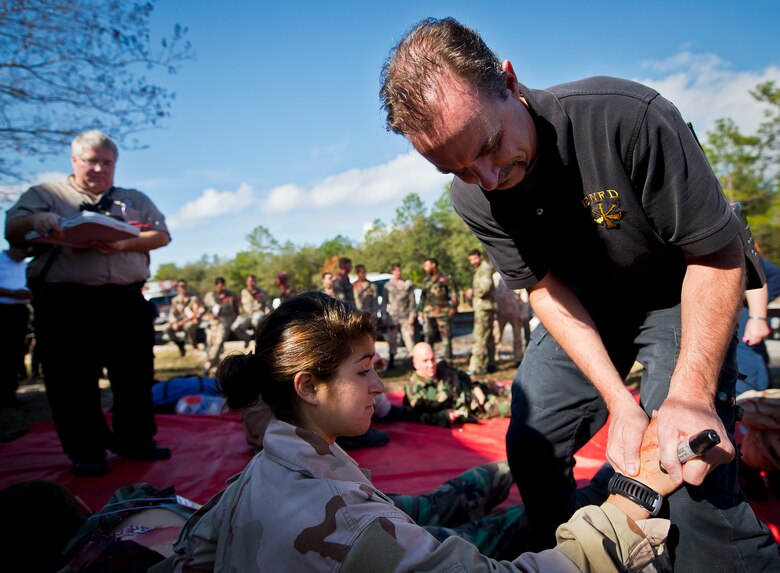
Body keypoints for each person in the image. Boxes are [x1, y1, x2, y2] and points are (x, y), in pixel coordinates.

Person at [379, 18, 779, 569]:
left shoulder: (627, 118)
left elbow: (714, 255)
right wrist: (619, 401)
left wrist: (688, 395)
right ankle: (567, 552)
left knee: (685, 460)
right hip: (588, 310)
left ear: (510, 83)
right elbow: (542, 291)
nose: (489, 179)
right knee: (530, 440)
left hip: (679, 292)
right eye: (460, 169)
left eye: (491, 147)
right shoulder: (474, 197)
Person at [169, 291, 684, 572]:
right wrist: (630, 501)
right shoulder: (344, 521)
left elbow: (193, 555)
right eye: (363, 370)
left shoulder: (261, 474)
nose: (378, 385)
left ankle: (518, 476)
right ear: (307, 387)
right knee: (511, 526)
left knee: (459, 504)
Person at [5, 130, 171, 477]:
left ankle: (135, 440)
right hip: (67, 302)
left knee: (135, 375)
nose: (99, 168)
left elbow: (161, 234)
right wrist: (38, 220)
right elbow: (14, 229)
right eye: (92, 161)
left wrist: (123, 244)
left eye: (107, 162)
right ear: (75, 161)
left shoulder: (133, 198)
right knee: (71, 379)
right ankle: (86, 451)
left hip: (125, 298)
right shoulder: (47, 194)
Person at [405, 342, 509, 427]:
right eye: (425, 361)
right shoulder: (414, 389)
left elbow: (462, 374)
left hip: (482, 389)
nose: (431, 365)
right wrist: (443, 416)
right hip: (478, 407)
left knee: (517, 390)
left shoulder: (442, 367)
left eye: (433, 359)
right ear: (415, 364)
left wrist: (475, 386)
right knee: (519, 406)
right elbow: (415, 416)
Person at [0, 244, 32, 407]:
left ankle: (9, 392)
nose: (27, 252)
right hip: (3, 312)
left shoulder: (27, 264)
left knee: (15, 352)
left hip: (20, 312)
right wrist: (12, 293)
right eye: (24, 248)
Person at [418, 257, 458, 361]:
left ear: (434, 265)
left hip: (442, 313)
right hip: (428, 314)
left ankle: (448, 362)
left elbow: (453, 295)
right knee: (428, 338)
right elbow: (423, 297)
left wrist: (453, 308)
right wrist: (420, 310)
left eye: (427, 265)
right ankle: (428, 361)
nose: (425, 268)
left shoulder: (445, 278)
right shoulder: (426, 280)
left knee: (446, 339)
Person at [466, 249, 497, 375]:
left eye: (474, 259)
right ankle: (491, 364)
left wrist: (472, 292)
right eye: (471, 260)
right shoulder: (480, 269)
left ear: (480, 257)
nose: (473, 262)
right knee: (488, 337)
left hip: (484, 308)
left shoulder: (484, 268)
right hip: (484, 307)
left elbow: (485, 288)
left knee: (479, 336)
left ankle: (476, 367)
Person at [381, 262, 417, 369]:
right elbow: (384, 302)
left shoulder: (407, 284)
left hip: (405, 316)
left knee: (409, 338)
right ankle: (391, 362)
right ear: (392, 272)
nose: (398, 272)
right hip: (393, 317)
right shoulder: (388, 286)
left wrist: (412, 314)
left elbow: (412, 301)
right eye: (395, 270)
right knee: (392, 339)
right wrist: (384, 315)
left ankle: (413, 361)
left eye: (399, 270)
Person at [202, 277, 240, 374]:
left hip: (225, 322)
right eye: (219, 286)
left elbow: (236, 309)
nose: (221, 288)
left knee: (218, 342)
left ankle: (208, 364)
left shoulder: (231, 295)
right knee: (211, 343)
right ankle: (215, 367)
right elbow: (203, 309)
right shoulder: (209, 296)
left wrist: (235, 318)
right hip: (213, 323)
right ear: (215, 286)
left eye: (223, 286)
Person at [493, 273, 528, 367]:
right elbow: (493, 294)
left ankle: (518, 358)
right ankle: (495, 357)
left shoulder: (515, 273)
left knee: (517, 337)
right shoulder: (495, 276)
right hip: (500, 311)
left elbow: (524, 294)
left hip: (515, 310)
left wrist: (523, 312)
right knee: (497, 335)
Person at [166, 279, 201, 357]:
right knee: (168, 328)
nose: (183, 287)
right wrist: (174, 323)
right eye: (181, 286)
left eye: (185, 285)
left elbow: (197, 313)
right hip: (179, 321)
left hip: (192, 320)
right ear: (177, 288)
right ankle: (180, 345)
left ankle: (194, 345)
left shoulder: (193, 298)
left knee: (188, 326)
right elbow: (172, 313)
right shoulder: (175, 300)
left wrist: (183, 322)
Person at [233, 274, 270, 344]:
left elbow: (267, 304)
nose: (252, 283)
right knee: (235, 327)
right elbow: (240, 305)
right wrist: (239, 314)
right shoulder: (243, 292)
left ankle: (262, 339)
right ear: (246, 282)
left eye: (253, 281)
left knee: (256, 320)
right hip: (246, 314)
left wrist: (268, 314)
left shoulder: (262, 292)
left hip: (258, 313)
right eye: (250, 281)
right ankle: (247, 338)